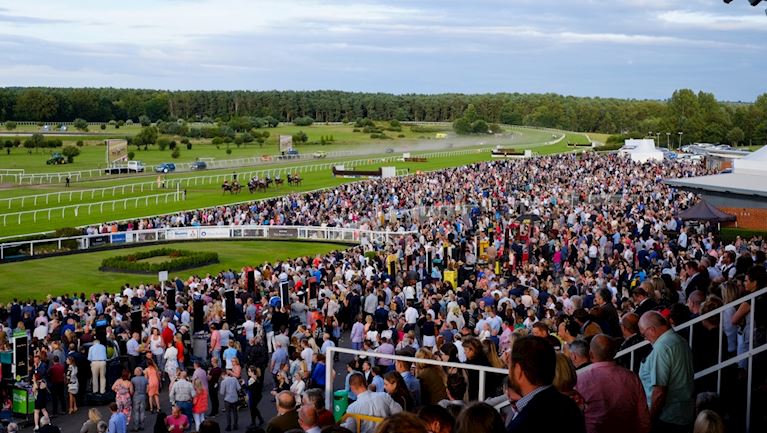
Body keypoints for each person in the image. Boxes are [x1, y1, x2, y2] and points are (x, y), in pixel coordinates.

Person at [506, 336, 585, 433]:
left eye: (509, 366)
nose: (509, 372)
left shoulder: (523, 423)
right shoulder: (570, 405)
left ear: (518, 370)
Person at [575, 334, 650, 433]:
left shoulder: (579, 379)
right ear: (614, 353)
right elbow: (644, 418)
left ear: (591, 354)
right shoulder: (632, 378)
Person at [638, 311, 695, 433]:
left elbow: (659, 392)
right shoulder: (680, 340)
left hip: (667, 418)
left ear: (651, 329)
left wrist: (650, 419)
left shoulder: (662, 348)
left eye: (644, 334)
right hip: (684, 413)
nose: (646, 339)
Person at [131, 367, 148, 432]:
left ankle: (136, 427)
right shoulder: (145, 379)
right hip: (143, 395)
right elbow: (147, 389)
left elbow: (132, 390)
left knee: (136, 412)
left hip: (136, 396)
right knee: (142, 411)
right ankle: (142, 426)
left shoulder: (133, 379)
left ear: (137, 372)